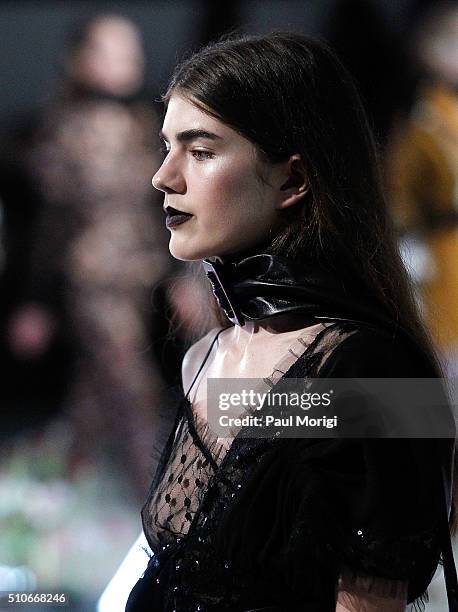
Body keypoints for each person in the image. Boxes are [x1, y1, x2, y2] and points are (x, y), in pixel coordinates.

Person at [126, 33, 457, 611]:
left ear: (292, 180)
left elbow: (374, 599)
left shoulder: (377, 372)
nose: (164, 176)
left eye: (200, 151)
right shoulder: (205, 358)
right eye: (166, 148)